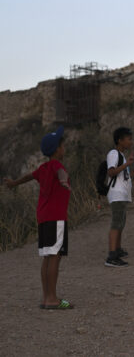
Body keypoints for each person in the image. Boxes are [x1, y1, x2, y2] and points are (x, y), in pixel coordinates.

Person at [4, 126, 73, 309]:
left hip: (43, 217)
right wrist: (64, 181)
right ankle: (52, 299)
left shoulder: (43, 168)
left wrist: (14, 183)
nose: (64, 147)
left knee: (47, 256)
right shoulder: (57, 165)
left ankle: (46, 297)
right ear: (58, 149)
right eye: (63, 145)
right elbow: (61, 173)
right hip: (56, 217)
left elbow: (29, 176)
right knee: (55, 256)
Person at [104, 127, 134, 267]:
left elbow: (122, 177)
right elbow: (111, 172)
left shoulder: (121, 156)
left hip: (121, 194)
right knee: (116, 223)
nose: (131, 142)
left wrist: (133, 171)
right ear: (120, 140)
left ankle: (117, 250)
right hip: (116, 194)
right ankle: (112, 256)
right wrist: (127, 164)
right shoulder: (114, 154)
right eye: (129, 139)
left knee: (121, 222)